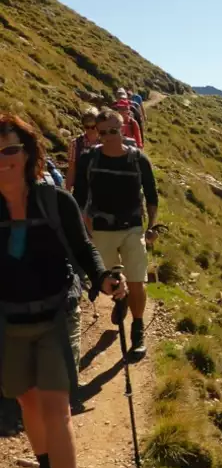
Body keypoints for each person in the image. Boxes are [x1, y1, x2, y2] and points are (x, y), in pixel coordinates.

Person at [0, 113, 126, 468]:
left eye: (10, 150)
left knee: (55, 408)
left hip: (56, 315)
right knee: (29, 405)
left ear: (28, 151)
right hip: (9, 322)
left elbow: (84, 249)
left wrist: (104, 278)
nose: (3, 160)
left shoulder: (55, 201)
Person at [73, 109, 159, 358]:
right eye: (103, 132)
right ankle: (121, 300)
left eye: (113, 131)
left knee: (137, 279)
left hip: (132, 228)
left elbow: (152, 196)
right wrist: (82, 229)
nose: (109, 136)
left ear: (122, 128)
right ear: (96, 133)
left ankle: (138, 330)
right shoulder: (89, 159)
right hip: (101, 230)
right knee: (110, 281)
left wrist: (151, 227)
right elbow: (79, 198)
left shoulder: (139, 160)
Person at [65, 108, 100, 192]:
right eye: (87, 127)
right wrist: (67, 192)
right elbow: (71, 170)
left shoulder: (106, 142)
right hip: (81, 188)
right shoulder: (75, 144)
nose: (90, 130)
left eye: (93, 127)